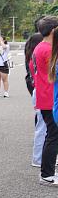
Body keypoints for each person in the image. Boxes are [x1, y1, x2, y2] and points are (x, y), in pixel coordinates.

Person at [32, 16, 58, 185]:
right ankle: (47, 174)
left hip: (45, 95)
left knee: (51, 134)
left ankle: (47, 171)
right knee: (53, 135)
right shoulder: (48, 50)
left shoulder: (41, 47)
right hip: (50, 97)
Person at [25, 32, 46, 167]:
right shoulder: (37, 57)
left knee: (42, 126)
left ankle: (40, 157)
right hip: (41, 92)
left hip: (37, 91)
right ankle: (38, 158)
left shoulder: (31, 56)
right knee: (42, 128)